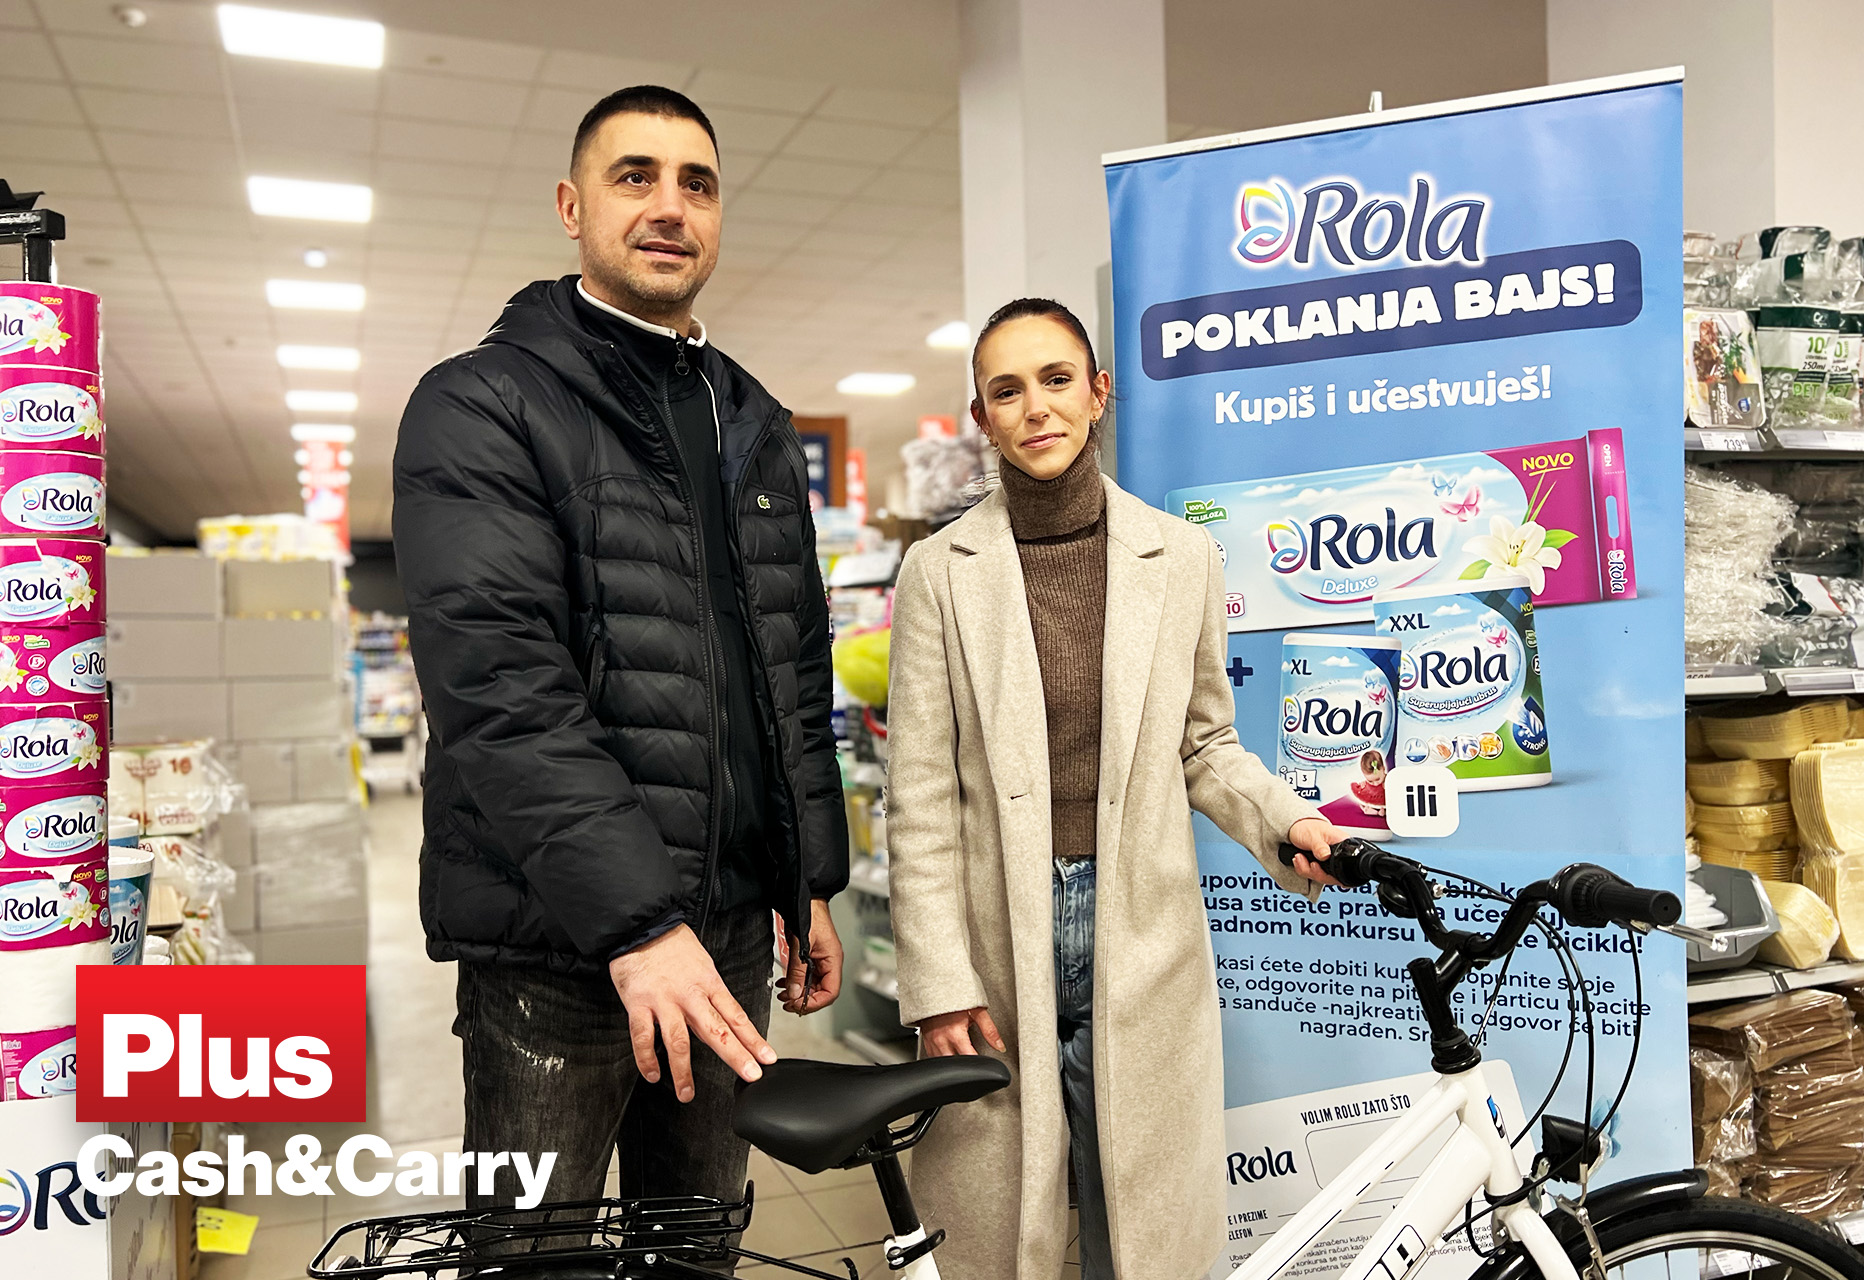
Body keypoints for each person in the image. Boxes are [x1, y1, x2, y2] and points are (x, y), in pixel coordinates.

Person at [392, 85, 848, 1217]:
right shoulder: (484, 403)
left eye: (697, 183)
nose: (669, 206)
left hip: (730, 928)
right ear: (571, 205)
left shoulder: (755, 422)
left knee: (697, 1238)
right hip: (558, 945)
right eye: (634, 176)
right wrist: (637, 925)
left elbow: (791, 671)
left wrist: (806, 877)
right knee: (534, 1251)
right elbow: (502, 690)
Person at [886, 298, 1344, 1280]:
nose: (1036, 408)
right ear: (983, 418)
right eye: (1007, 390)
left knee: (1141, 1222)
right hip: (996, 930)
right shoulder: (938, 572)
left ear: (1098, 393)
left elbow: (1205, 743)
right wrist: (936, 981)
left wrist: (1289, 822)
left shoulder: (1181, 557)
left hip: (1140, 922)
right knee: (1003, 1222)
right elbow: (918, 793)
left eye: (1057, 380)